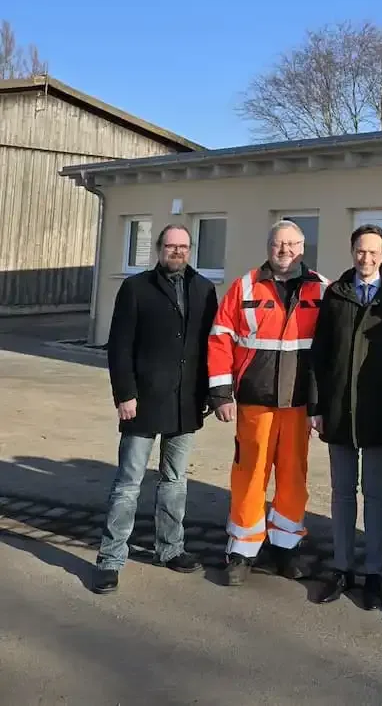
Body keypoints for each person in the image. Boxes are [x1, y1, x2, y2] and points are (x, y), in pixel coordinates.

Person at [94, 224, 219, 594]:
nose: (176, 251)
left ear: (190, 249)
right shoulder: (136, 288)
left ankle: (169, 549)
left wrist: (211, 393)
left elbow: (211, 346)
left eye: (183, 246)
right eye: (170, 246)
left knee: (175, 483)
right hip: (143, 402)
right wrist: (125, 394)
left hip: (186, 403)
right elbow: (119, 346)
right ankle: (110, 559)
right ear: (159, 249)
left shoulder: (204, 289)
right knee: (128, 485)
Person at [207, 220, 328, 586]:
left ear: (302, 247)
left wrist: (324, 406)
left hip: (298, 404)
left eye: (291, 244)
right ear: (268, 246)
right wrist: (221, 393)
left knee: (293, 477)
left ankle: (286, 549)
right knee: (249, 475)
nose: (284, 250)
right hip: (254, 402)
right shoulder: (244, 286)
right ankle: (242, 551)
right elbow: (220, 338)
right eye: (278, 244)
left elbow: (330, 351)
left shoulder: (321, 289)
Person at [308, 224, 382, 610]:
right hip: (338, 411)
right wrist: (316, 406)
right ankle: (341, 568)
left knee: (374, 494)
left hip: (377, 413)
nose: (365, 258)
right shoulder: (336, 293)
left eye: (372, 252)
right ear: (351, 252)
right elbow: (319, 354)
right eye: (359, 251)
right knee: (341, 495)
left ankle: (373, 572)